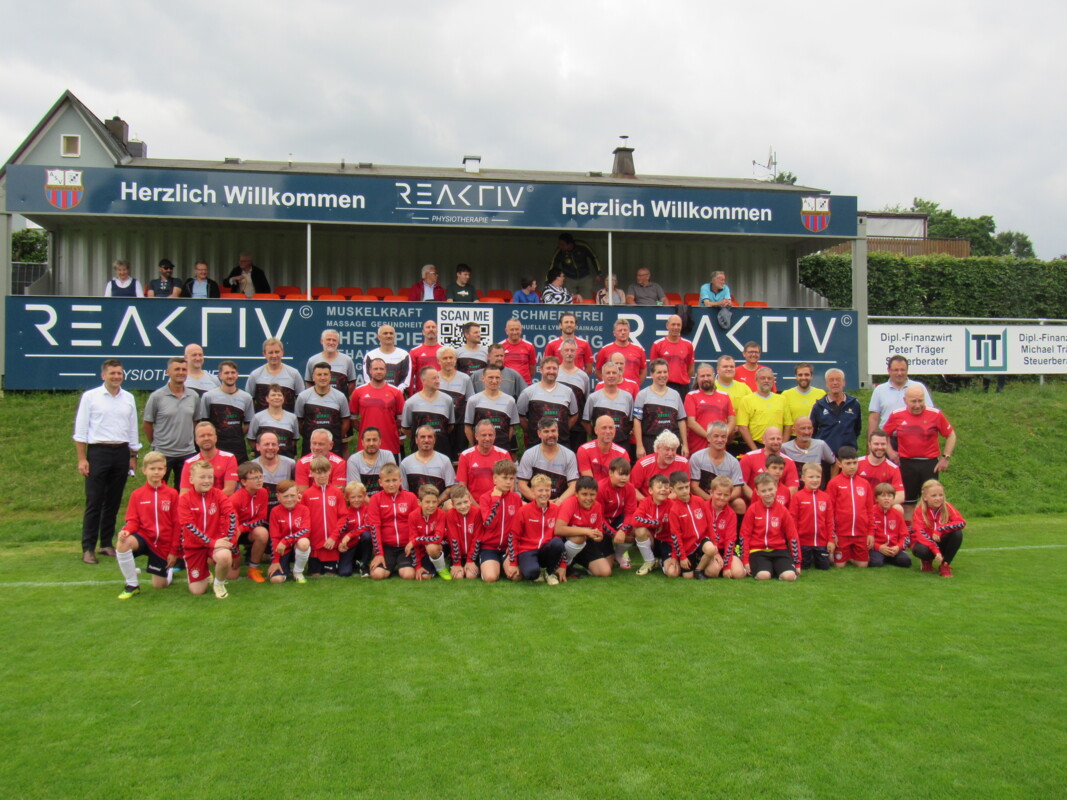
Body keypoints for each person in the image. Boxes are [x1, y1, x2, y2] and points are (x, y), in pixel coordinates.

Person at [74, 358, 141, 564]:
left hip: (121, 452)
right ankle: (88, 548)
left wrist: (133, 456)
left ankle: (106, 543)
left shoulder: (128, 398)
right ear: (103, 375)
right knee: (94, 501)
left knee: (113, 501)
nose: (116, 376)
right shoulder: (91, 397)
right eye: (112, 373)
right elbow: (81, 430)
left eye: (119, 373)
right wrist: (82, 458)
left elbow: (132, 429)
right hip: (98, 452)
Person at [883, 386, 957, 522]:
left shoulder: (935, 414)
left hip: (929, 464)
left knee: (932, 501)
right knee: (908, 503)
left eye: (920, 401)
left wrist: (946, 457)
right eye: (913, 401)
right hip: (906, 464)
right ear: (905, 400)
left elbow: (951, 435)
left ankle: (931, 531)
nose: (917, 405)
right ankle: (909, 533)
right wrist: (890, 452)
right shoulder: (897, 415)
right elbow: (884, 434)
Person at [114, 451, 179, 598]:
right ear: (144, 470)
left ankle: (168, 572)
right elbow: (132, 520)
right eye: (152, 469)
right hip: (144, 538)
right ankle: (132, 584)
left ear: (165, 470)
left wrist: (173, 551)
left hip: (163, 544)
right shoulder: (137, 494)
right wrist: (126, 530)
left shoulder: (172, 494)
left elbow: (177, 524)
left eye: (160, 469)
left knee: (159, 586)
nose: (156, 472)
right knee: (123, 542)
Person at [177, 460, 238, 598]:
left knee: (225, 556)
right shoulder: (185, 500)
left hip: (215, 542)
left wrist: (229, 540)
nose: (207, 481)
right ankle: (204, 573)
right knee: (198, 591)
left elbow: (231, 516)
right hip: (194, 547)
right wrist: (211, 542)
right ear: (191, 479)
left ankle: (219, 583)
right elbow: (189, 526)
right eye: (202, 477)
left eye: (210, 477)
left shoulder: (218, 494)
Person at [143, 356, 198, 488]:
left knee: (185, 491)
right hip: (163, 453)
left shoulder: (193, 396)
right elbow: (147, 424)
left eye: (184, 370)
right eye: (177, 369)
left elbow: (196, 421)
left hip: (187, 452)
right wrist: (156, 443)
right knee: (159, 489)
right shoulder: (157, 396)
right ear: (168, 372)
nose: (181, 372)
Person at [739, 473, 801, 581]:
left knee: (789, 576)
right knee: (764, 576)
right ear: (757, 492)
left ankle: (778, 569)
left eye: (770, 489)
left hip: (779, 550)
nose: (768, 493)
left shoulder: (783, 510)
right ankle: (769, 570)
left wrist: (797, 562)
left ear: (776, 488)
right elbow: (745, 535)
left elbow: (792, 536)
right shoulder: (752, 510)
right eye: (763, 491)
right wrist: (745, 561)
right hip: (758, 551)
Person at [366, 463, 419, 580]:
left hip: (406, 546)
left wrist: (413, 543)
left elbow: (417, 524)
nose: (391, 484)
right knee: (377, 575)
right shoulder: (375, 499)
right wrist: (379, 553)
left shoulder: (411, 497)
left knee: (408, 575)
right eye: (387, 481)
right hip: (387, 547)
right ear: (381, 482)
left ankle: (401, 565)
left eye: (394, 480)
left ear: (400, 480)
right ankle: (389, 564)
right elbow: (374, 527)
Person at [509, 475, 565, 585]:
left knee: (557, 543)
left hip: (546, 550)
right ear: (533, 491)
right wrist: (513, 562)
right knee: (531, 574)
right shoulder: (524, 511)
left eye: (547, 490)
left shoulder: (556, 510)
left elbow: (561, 537)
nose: (544, 494)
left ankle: (550, 573)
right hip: (527, 550)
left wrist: (563, 565)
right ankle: (536, 571)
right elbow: (513, 537)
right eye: (540, 490)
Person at [555, 476, 614, 578]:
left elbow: (598, 533)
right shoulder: (569, 503)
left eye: (592, 494)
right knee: (579, 538)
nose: (588, 498)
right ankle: (563, 564)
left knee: (605, 572)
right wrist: (585, 531)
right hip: (567, 543)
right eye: (584, 494)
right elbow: (558, 529)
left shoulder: (597, 506)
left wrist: (599, 536)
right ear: (576, 494)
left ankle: (578, 563)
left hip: (586, 543)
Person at [826, 446, 874, 568]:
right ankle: (836, 555)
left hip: (861, 532)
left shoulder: (864, 484)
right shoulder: (834, 483)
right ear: (839, 463)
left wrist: (870, 533)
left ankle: (852, 556)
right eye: (848, 463)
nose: (852, 466)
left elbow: (870, 510)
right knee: (839, 566)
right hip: (842, 533)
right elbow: (830, 511)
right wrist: (833, 534)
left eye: (855, 463)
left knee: (863, 565)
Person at [198, 360, 254, 463]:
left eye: (233, 372)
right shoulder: (209, 396)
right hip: (216, 446)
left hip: (238, 447)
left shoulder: (246, 397)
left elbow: (248, 423)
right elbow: (204, 423)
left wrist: (236, 436)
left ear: (237, 375)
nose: (230, 376)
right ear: (220, 375)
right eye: (226, 373)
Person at [477, 460, 523, 583]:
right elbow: (489, 523)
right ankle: (491, 566)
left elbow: (518, 526)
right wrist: (496, 500)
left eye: (511, 478)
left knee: (516, 577)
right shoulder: (485, 498)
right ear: (495, 478)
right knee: (490, 578)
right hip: (489, 547)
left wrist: (513, 546)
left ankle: (503, 565)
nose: (508, 482)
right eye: (504, 478)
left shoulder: (516, 498)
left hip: (508, 547)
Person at [349, 357, 405, 457]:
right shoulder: (358, 392)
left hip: (390, 446)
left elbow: (401, 420)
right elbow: (353, 419)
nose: (378, 372)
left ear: (386, 371)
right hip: (366, 447)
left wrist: (389, 428)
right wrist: (365, 430)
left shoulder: (396, 392)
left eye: (381, 369)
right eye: (375, 369)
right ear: (370, 371)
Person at [517, 356, 578, 445]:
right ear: (541, 370)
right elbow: (520, 417)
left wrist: (563, 429)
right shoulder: (528, 392)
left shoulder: (568, 392)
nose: (551, 371)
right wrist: (532, 431)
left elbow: (574, 416)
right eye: (548, 368)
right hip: (536, 443)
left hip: (561, 443)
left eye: (554, 368)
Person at [911, 479, 966, 577]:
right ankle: (926, 561)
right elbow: (920, 534)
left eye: (941, 495)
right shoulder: (919, 511)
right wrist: (936, 551)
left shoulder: (947, 507)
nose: (938, 498)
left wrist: (940, 529)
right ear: (925, 497)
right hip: (927, 544)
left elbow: (961, 523)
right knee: (921, 549)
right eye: (934, 496)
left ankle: (945, 565)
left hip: (941, 541)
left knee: (957, 533)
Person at [633, 359, 688, 458]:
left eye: (665, 372)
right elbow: (637, 421)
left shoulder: (675, 395)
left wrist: (685, 445)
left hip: (672, 443)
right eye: (659, 372)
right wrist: (639, 446)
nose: (662, 375)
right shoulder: (642, 395)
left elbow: (681, 420)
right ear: (652, 374)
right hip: (650, 443)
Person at [302, 456, 346, 576]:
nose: (322, 476)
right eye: (318, 472)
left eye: (325, 472)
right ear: (311, 473)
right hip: (315, 545)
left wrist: (333, 537)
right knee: (315, 575)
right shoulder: (307, 494)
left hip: (331, 544)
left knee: (330, 575)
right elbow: (304, 520)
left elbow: (343, 517)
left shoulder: (337, 492)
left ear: (330, 471)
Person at [295, 362, 351, 457]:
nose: (322, 378)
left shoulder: (340, 397)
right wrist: (310, 437)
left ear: (330, 376)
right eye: (319, 375)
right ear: (313, 377)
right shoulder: (303, 397)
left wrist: (335, 438)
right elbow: (298, 422)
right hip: (310, 445)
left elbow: (346, 421)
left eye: (325, 374)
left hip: (333, 446)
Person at [516, 419, 579, 503]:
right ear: (539, 434)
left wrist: (559, 502)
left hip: (561, 504)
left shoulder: (569, 455)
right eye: (546, 432)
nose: (550, 435)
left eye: (553, 431)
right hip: (535, 504)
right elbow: (521, 485)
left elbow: (574, 485)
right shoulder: (529, 454)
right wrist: (543, 502)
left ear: (558, 432)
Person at [868, 354, 934, 434]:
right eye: (896, 370)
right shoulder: (879, 390)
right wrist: (870, 442)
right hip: (888, 438)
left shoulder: (918, 387)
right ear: (889, 370)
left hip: (914, 437)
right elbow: (874, 418)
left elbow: (930, 413)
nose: (899, 373)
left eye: (903, 370)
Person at [687, 421, 745, 512]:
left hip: (724, 498)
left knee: (739, 504)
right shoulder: (696, 457)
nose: (720, 440)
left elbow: (737, 489)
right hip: (702, 498)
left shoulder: (733, 462)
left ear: (727, 439)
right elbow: (694, 487)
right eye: (716, 436)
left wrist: (722, 499)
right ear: (708, 438)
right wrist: (712, 501)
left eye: (723, 437)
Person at [790, 462, 836, 571]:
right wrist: (794, 541)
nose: (815, 480)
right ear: (803, 478)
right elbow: (793, 520)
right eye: (811, 477)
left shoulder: (825, 497)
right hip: (803, 542)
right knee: (804, 566)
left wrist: (831, 540)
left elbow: (830, 520)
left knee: (824, 567)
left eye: (818, 477)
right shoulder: (797, 497)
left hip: (821, 542)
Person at [229, 460, 270, 582]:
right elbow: (231, 529)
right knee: (232, 576)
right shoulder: (234, 500)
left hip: (246, 530)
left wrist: (242, 528)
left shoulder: (263, 492)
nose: (259, 480)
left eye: (260, 476)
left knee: (262, 533)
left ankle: (253, 569)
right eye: (255, 478)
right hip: (232, 533)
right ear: (243, 482)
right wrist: (236, 555)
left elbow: (261, 518)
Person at [401, 366, 455, 456]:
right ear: (423, 380)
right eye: (433, 378)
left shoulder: (447, 400)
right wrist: (421, 438)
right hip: (418, 453)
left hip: (442, 451)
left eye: (438, 378)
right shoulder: (411, 403)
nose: (438, 381)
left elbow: (450, 427)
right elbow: (405, 429)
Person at [684, 363, 735, 456]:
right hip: (697, 448)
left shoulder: (725, 396)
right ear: (697, 378)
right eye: (702, 376)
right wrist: (710, 437)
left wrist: (721, 437)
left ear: (714, 376)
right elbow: (691, 423)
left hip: (719, 448)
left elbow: (732, 421)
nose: (706, 378)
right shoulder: (691, 396)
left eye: (708, 375)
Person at [456, 420, 514, 503]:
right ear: (476, 436)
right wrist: (477, 508)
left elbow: (511, 483)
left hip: (499, 504)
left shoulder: (504, 454)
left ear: (495, 436)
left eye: (490, 435)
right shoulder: (465, 455)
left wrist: (503, 504)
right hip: (474, 505)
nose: (487, 438)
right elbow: (462, 486)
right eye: (483, 435)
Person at [464, 365, 519, 450]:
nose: (494, 381)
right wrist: (475, 447)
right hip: (481, 451)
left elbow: (511, 427)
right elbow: (468, 428)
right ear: (483, 379)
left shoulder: (510, 401)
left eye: (497, 377)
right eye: (490, 377)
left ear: (501, 379)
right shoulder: (473, 400)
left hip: (502, 449)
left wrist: (504, 444)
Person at [582, 362, 634, 451]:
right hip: (600, 445)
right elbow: (585, 422)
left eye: (614, 373)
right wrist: (596, 435)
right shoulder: (593, 398)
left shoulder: (627, 397)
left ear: (619, 376)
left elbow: (630, 422)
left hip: (622, 444)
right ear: (602, 376)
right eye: (608, 373)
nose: (611, 376)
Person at [267, 480, 311, 584]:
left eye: (292, 495)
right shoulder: (275, 511)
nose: (289, 499)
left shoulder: (304, 509)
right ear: (278, 497)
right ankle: (285, 569)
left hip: (296, 546)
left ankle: (298, 572)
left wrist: (286, 540)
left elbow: (305, 530)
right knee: (276, 580)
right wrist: (275, 561)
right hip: (282, 550)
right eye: (285, 496)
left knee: (304, 542)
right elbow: (274, 537)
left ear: (297, 494)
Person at [810, 369, 862, 456]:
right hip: (825, 456)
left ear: (844, 382)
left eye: (838, 379)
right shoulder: (818, 406)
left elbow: (857, 429)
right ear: (826, 384)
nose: (835, 383)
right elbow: (813, 432)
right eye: (831, 380)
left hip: (848, 456)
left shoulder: (854, 404)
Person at [178, 421, 239, 495]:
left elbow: (229, 491)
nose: (206, 438)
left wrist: (209, 503)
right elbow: (184, 494)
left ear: (216, 437)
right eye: (202, 436)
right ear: (196, 440)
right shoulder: (189, 463)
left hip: (222, 504)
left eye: (209, 435)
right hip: (197, 505)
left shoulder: (229, 458)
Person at [702, 475, 745, 579]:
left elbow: (730, 540)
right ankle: (707, 566)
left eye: (726, 495)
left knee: (738, 574)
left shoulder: (731, 514)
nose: (722, 498)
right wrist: (714, 553)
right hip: (709, 549)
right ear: (711, 493)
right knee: (713, 572)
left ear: (730, 496)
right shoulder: (702, 508)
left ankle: (730, 565)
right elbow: (702, 534)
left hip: (725, 549)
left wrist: (726, 566)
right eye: (719, 494)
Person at [245, 337, 304, 412]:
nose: (274, 356)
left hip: (287, 422)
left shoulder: (294, 374)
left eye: (277, 352)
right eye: (270, 352)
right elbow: (249, 402)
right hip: (262, 422)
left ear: (282, 352)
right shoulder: (255, 375)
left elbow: (301, 401)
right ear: (264, 354)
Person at [597, 458, 637, 568]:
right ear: (610, 473)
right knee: (606, 567)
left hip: (617, 519)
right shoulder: (600, 488)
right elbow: (599, 518)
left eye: (626, 474)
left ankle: (619, 554)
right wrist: (615, 534)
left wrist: (623, 531)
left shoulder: (630, 488)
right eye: (620, 474)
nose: (624, 478)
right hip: (601, 525)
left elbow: (631, 513)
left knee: (634, 530)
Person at [739, 426, 800, 499]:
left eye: (778, 439)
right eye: (772, 439)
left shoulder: (789, 462)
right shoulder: (749, 457)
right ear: (763, 440)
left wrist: (775, 505)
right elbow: (742, 484)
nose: (776, 442)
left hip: (780, 504)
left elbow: (792, 490)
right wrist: (759, 501)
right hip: (754, 503)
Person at [735, 367, 788, 450]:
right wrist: (754, 449)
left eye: (769, 378)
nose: (766, 381)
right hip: (755, 445)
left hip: (777, 446)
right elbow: (743, 427)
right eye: (762, 378)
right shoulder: (746, 400)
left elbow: (788, 425)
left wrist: (782, 447)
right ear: (756, 381)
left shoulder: (782, 399)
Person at [630, 473, 672, 575]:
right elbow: (634, 520)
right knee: (639, 530)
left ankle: (663, 560)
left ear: (670, 490)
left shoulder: (672, 505)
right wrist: (656, 523)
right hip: (652, 541)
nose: (663, 490)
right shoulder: (645, 502)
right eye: (659, 487)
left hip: (667, 542)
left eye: (666, 487)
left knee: (671, 573)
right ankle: (649, 561)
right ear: (650, 490)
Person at [437, 347, 475, 458]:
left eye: (451, 358)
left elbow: (470, 402)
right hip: (440, 425)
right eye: (445, 358)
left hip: (460, 425)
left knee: (459, 457)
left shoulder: (465, 378)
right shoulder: (434, 377)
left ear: (455, 359)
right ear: (439, 361)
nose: (448, 361)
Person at [631, 430, 689, 499]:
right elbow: (632, 489)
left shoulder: (683, 463)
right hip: (648, 504)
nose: (670, 454)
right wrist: (648, 503)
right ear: (658, 449)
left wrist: (664, 501)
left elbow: (685, 488)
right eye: (667, 450)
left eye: (673, 450)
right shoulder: (643, 464)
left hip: (673, 504)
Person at [409, 485, 452, 580]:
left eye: (434, 502)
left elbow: (438, 538)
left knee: (431, 547)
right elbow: (413, 543)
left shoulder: (441, 514)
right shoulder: (413, 516)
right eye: (427, 502)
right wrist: (418, 566)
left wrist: (414, 541)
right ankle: (434, 568)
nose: (431, 505)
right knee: (424, 576)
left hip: (440, 546)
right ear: (419, 502)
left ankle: (441, 568)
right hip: (423, 550)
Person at [400, 425, 457, 495]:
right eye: (422, 437)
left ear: (434, 440)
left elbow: (450, 487)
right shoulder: (405, 463)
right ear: (416, 440)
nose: (426, 440)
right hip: (414, 504)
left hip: (439, 503)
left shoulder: (445, 461)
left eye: (430, 437)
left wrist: (437, 502)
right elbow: (403, 491)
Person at [247, 385, 301, 459]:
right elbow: (251, 439)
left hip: (286, 458)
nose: (276, 397)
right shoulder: (258, 417)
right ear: (267, 399)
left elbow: (294, 440)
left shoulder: (292, 418)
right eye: (273, 395)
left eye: (279, 395)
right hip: (264, 460)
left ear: (283, 398)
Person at [557, 340, 592, 451]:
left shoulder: (583, 376)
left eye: (572, 350)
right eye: (566, 350)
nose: (569, 353)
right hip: (558, 426)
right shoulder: (554, 373)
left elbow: (585, 400)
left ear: (576, 353)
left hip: (577, 428)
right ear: (561, 352)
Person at [781, 416, 836, 487]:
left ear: (813, 430)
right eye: (802, 428)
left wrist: (831, 485)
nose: (807, 432)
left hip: (817, 490)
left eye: (809, 428)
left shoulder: (820, 445)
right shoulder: (785, 448)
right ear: (794, 431)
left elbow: (835, 463)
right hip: (796, 490)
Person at [650, 314, 695, 397]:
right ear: (667, 326)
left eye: (678, 325)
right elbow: (653, 369)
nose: (676, 327)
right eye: (673, 324)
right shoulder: (657, 344)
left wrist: (681, 378)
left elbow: (690, 368)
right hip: (664, 386)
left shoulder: (688, 345)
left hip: (682, 388)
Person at [856, 430, 905, 506]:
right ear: (869, 444)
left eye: (883, 444)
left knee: (898, 508)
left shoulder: (893, 468)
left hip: (881, 509)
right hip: (860, 506)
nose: (880, 447)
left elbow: (901, 495)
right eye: (876, 444)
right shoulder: (857, 463)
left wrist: (881, 505)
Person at [869, 482, 912, 568]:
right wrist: (878, 547)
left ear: (893, 498)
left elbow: (904, 535)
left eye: (889, 496)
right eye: (883, 496)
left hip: (893, 547)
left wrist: (898, 547)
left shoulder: (897, 514)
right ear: (876, 499)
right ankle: (882, 557)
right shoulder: (871, 513)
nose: (886, 499)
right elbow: (867, 535)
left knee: (906, 561)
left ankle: (889, 557)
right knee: (875, 563)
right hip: (878, 547)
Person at [304, 329, 357, 397]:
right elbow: (309, 383)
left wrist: (345, 399)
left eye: (334, 340)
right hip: (318, 403)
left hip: (339, 404)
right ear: (322, 341)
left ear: (338, 343)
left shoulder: (347, 360)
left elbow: (352, 383)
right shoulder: (312, 361)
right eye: (328, 339)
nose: (331, 342)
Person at [577, 415, 630, 483]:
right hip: (592, 491)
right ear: (596, 430)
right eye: (604, 428)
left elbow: (624, 481)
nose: (608, 431)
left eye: (611, 428)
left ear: (615, 430)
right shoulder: (584, 450)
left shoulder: (622, 453)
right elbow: (589, 483)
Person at [549, 232, 601, 300]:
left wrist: (599, 273)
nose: (560, 246)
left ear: (570, 244)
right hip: (569, 278)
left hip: (585, 277)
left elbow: (594, 257)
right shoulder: (559, 251)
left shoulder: (583, 246)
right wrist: (549, 280)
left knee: (586, 299)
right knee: (569, 299)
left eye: (562, 245)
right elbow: (553, 264)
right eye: (559, 244)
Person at [444, 485, 482, 579]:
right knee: (458, 576)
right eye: (459, 504)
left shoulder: (477, 512)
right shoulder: (450, 515)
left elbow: (477, 538)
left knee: (470, 576)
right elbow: (453, 539)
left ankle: (475, 564)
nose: (463, 506)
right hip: (457, 556)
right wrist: (456, 563)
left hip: (473, 555)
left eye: (465, 502)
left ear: (470, 499)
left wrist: (470, 560)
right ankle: (453, 563)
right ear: (453, 504)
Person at [345, 427, 396, 495]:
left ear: (380, 441)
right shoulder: (353, 460)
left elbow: (392, 484)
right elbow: (356, 490)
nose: (371, 443)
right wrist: (373, 504)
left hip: (384, 501)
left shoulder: (387, 456)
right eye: (368, 440)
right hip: (362, 502)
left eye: (374, 440)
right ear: (362, 442)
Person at [251, 430, 296, 508]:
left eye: (274, 444)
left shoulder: (290, 464)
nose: (270, 447)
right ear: (258, 447)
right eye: (266, 444)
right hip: (260, 510)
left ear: (278, 446)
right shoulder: (251, 466)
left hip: (284, 510)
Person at [594, 318, 646, 384]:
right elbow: (598, 371)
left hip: (631, 390)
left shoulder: (639, 349)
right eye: (620, 330)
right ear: (614, 333)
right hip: (612, 391)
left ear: (629, 332)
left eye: (625, 330)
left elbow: (643, 371)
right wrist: (609, 383)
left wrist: (634, 386)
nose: (623, 332)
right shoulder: (605, 350)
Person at [362, 325, 411, 393]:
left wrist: (395, 393)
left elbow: (406, 380)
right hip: (375, 395)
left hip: (397, 395)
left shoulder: (404, 355)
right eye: (385, 333)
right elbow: (367, 379)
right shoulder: (370, 356)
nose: (388, 336)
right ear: (378, 337)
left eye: (391, 333)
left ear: (394, 336)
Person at [338, 481, 373, 577]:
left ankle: (364, 564)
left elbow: (368, 525)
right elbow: (341, 529)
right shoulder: (345, 512)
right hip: (350, 545)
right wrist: (341, 543)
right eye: (353, 497)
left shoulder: (369, 510)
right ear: (347, 498)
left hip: (363, 544)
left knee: (367, 535)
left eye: (359, 496)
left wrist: (350, 535)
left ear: (364, 496)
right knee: (344, 573)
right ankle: (354, 562)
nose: (356, 500)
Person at [408, 320, 443, 396]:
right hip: (421, 395)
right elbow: (410, 377)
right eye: (428, 327)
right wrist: (411, 395)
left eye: (433, 327)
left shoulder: (444, 351)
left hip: (441, 394)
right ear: (423, 332)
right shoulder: (414, 352)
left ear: (437, 331)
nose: (431, 329)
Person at [499, 319, 537, 384]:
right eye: (512, 330)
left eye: (517, 329)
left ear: (521, 330)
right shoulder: (500, 346)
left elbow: (532, 368)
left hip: (525, 384)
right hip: (507, 383)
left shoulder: (529, 346)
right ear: (506, 331)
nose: (514, 332)